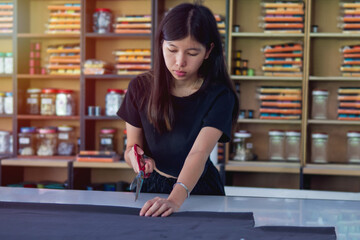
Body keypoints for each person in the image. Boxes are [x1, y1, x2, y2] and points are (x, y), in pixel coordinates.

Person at [117, 3, 239, 217]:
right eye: (172, 50)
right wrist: (137, 161)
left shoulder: (220, 95)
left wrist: (174, 200)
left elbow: (199, 153)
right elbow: (131, 148)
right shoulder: (140, 87)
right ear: (161, 43)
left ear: (208, 51)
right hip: (150, 187)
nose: (180, 62)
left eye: (192, 53)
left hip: (198, 189)